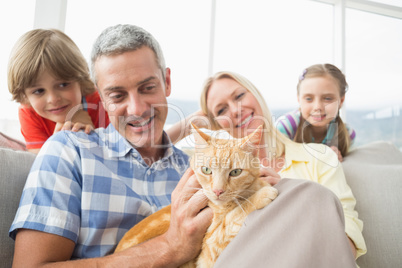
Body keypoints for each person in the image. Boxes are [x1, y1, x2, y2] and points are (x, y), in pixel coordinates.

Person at [10, 25, 359, 267]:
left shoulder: (195, 168)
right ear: (100, 97)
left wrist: (255, 200)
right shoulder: (69, 152)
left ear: (167, 81)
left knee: (309, 198)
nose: (137, 108)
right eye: (117, 95)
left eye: (148, 88)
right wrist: (169, 247)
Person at [167, 71, 367, 259]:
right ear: (216, 123)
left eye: (238, 96)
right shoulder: (207, 171)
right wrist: (196, 121)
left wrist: (290, 194)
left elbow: (347, 242)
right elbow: (148, 150)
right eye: (221, 110)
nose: (235, 110)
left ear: (255, 93)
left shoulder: (320, 156)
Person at [7, 29, 109, 153]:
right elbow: (40, 163)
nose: (53, 99)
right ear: (24, 96)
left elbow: (122, 159)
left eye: (63, 84)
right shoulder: (29, 113)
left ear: (80, 80)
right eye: (39, 91)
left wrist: (92, 136)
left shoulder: (102, 102)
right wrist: (58, 141)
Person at [276, 63, 356, 161]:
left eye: (327, 98)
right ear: (299, 99)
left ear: (341, 101)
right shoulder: (285, 126)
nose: (318, 107)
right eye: (309, 98)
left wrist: (338, 159)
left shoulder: (347, 134)